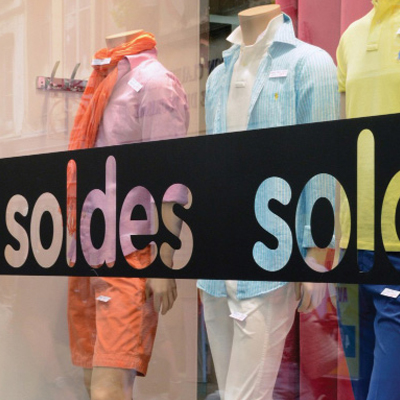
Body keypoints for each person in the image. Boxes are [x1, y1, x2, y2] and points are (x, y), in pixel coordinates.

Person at [198, 4, 339, 400]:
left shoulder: (310, 64)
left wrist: (316, 252)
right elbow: (212, 165)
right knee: (229, 392)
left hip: (273, 255)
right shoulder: (218, 77)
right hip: (217, 260)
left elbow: (323, 163)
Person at [67, 30, 189, 400]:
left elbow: (170, 178)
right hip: (87, 248)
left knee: (109, 390)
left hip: (129, 252)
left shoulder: (156, 82)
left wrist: (163, 261)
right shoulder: (104, 77)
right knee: (92, 383)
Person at [337, 0, 400, 399]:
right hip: (352, 243)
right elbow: (343, 141)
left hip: (396, 242)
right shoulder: (350, 37)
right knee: (361, 389)